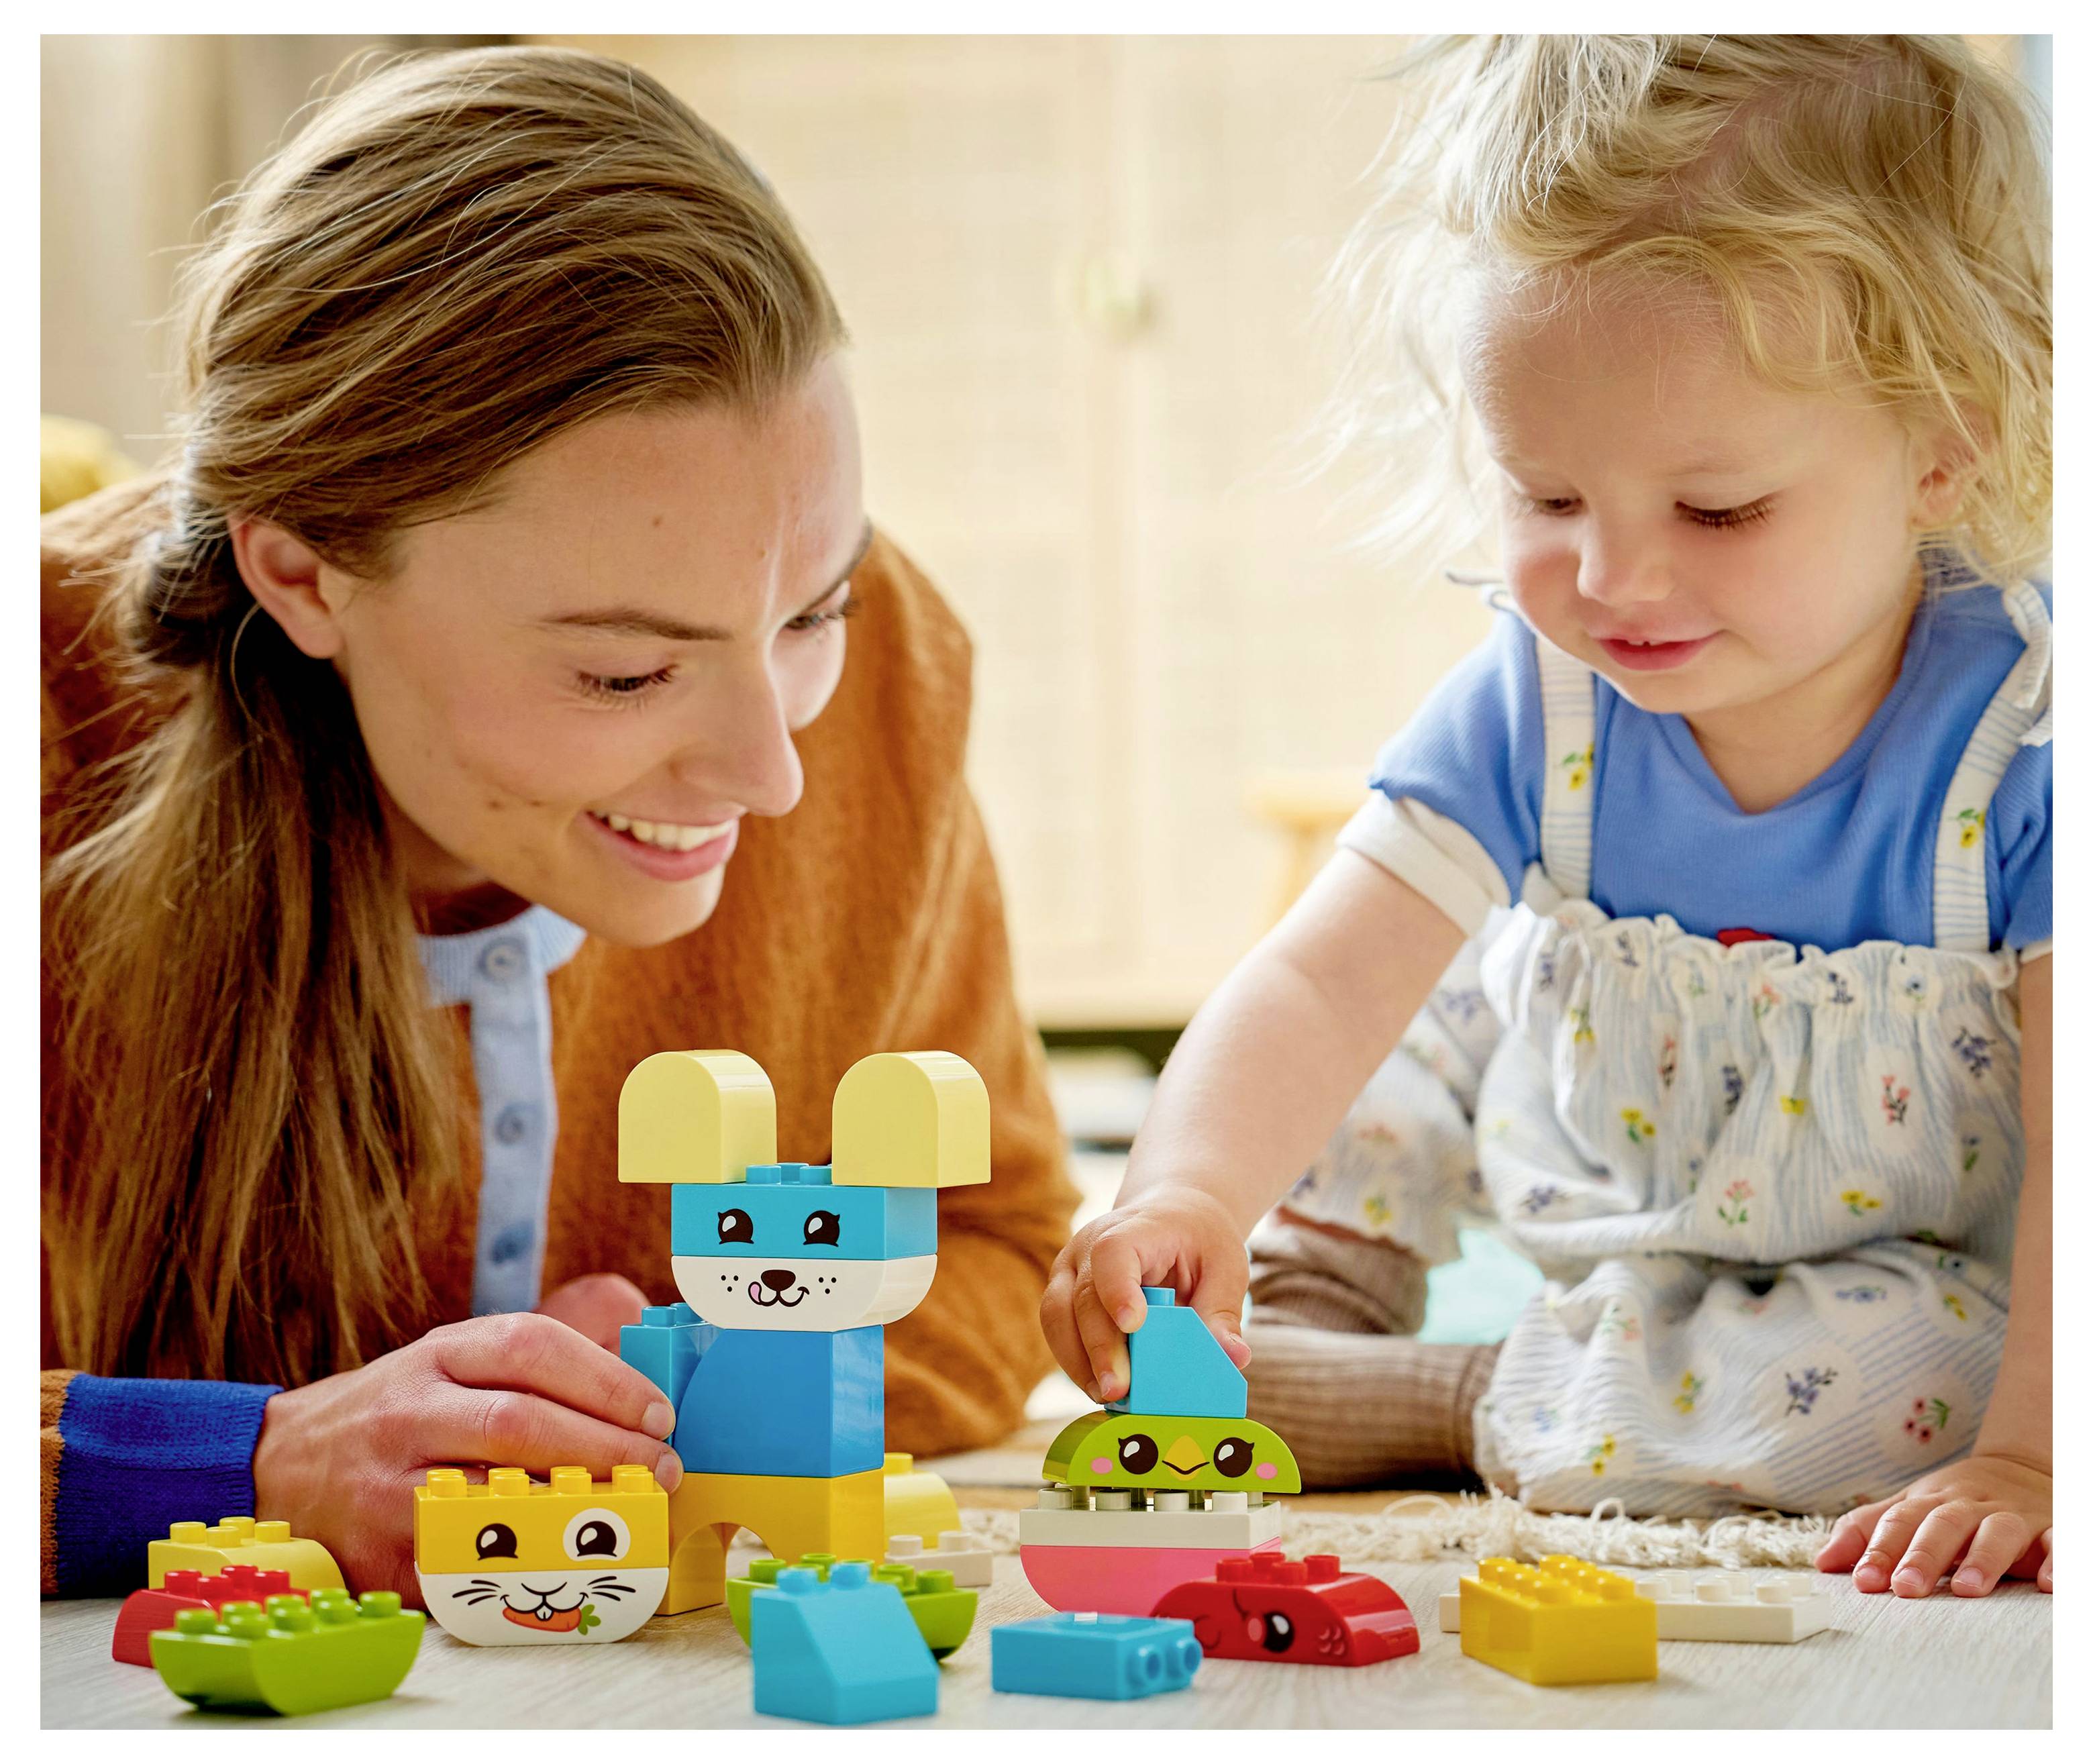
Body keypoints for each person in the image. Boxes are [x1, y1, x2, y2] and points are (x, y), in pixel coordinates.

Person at [41, 45, 1077, 1602]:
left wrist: (708, 1379)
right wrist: (255, 1458)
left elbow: (998, 1247)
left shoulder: (891, 690)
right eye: (625, 669)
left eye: (817, 607)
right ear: (305, 576)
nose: (772, 772)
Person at [1043, 34, 2051, 1599]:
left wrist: (2035, 1455)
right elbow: (1317, 980)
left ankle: (1452, 1399)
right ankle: (1290, 1304)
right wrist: (1186, 1192)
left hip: (1890, 1272)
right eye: (1548, 499)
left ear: (1947, 440)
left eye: (1717, 512)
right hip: (1591, 1136)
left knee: (1922, 1394)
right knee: (1399, 1017)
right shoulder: (1544, 695)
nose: (1613, 583)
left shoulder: (2028, 740)